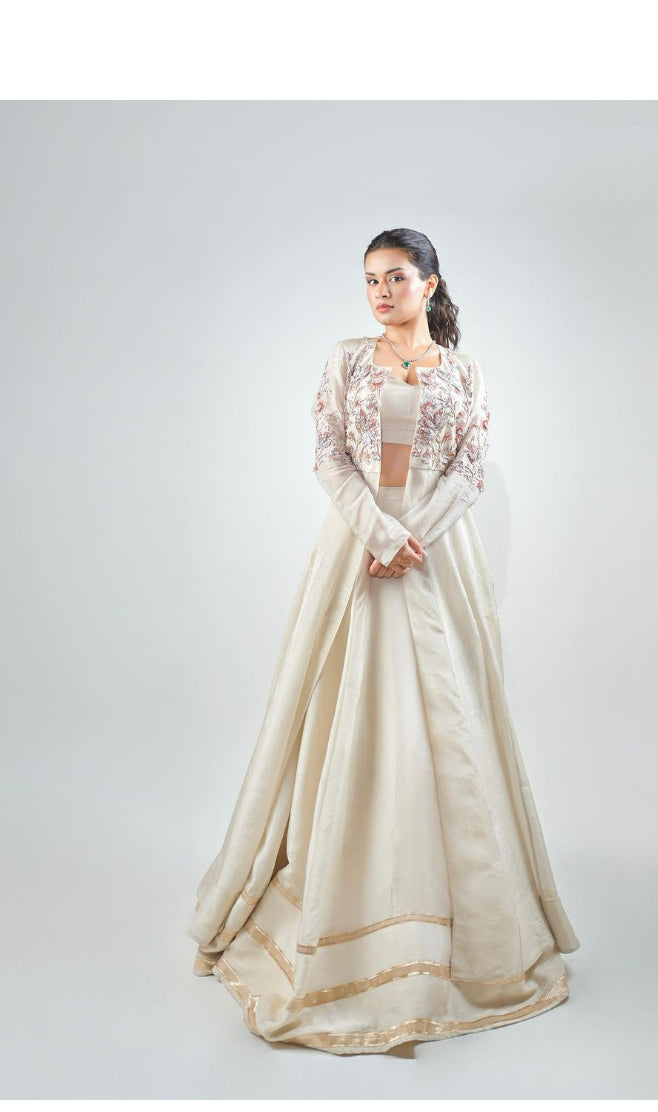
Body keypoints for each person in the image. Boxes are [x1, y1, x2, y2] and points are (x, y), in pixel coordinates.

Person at [188, 227, 580, 1055]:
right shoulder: (344, 360)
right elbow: (328, 456)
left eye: (396, 277)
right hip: (356, 551)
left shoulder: (465, 373)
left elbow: (469, 470)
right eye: (370, 280)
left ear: (430, 284)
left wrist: (414, 537)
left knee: (450, 722)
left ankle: (464, 919)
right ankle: (342, 897)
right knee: (347, 706)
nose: (380, 293)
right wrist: (377, 532)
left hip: (436, 557)